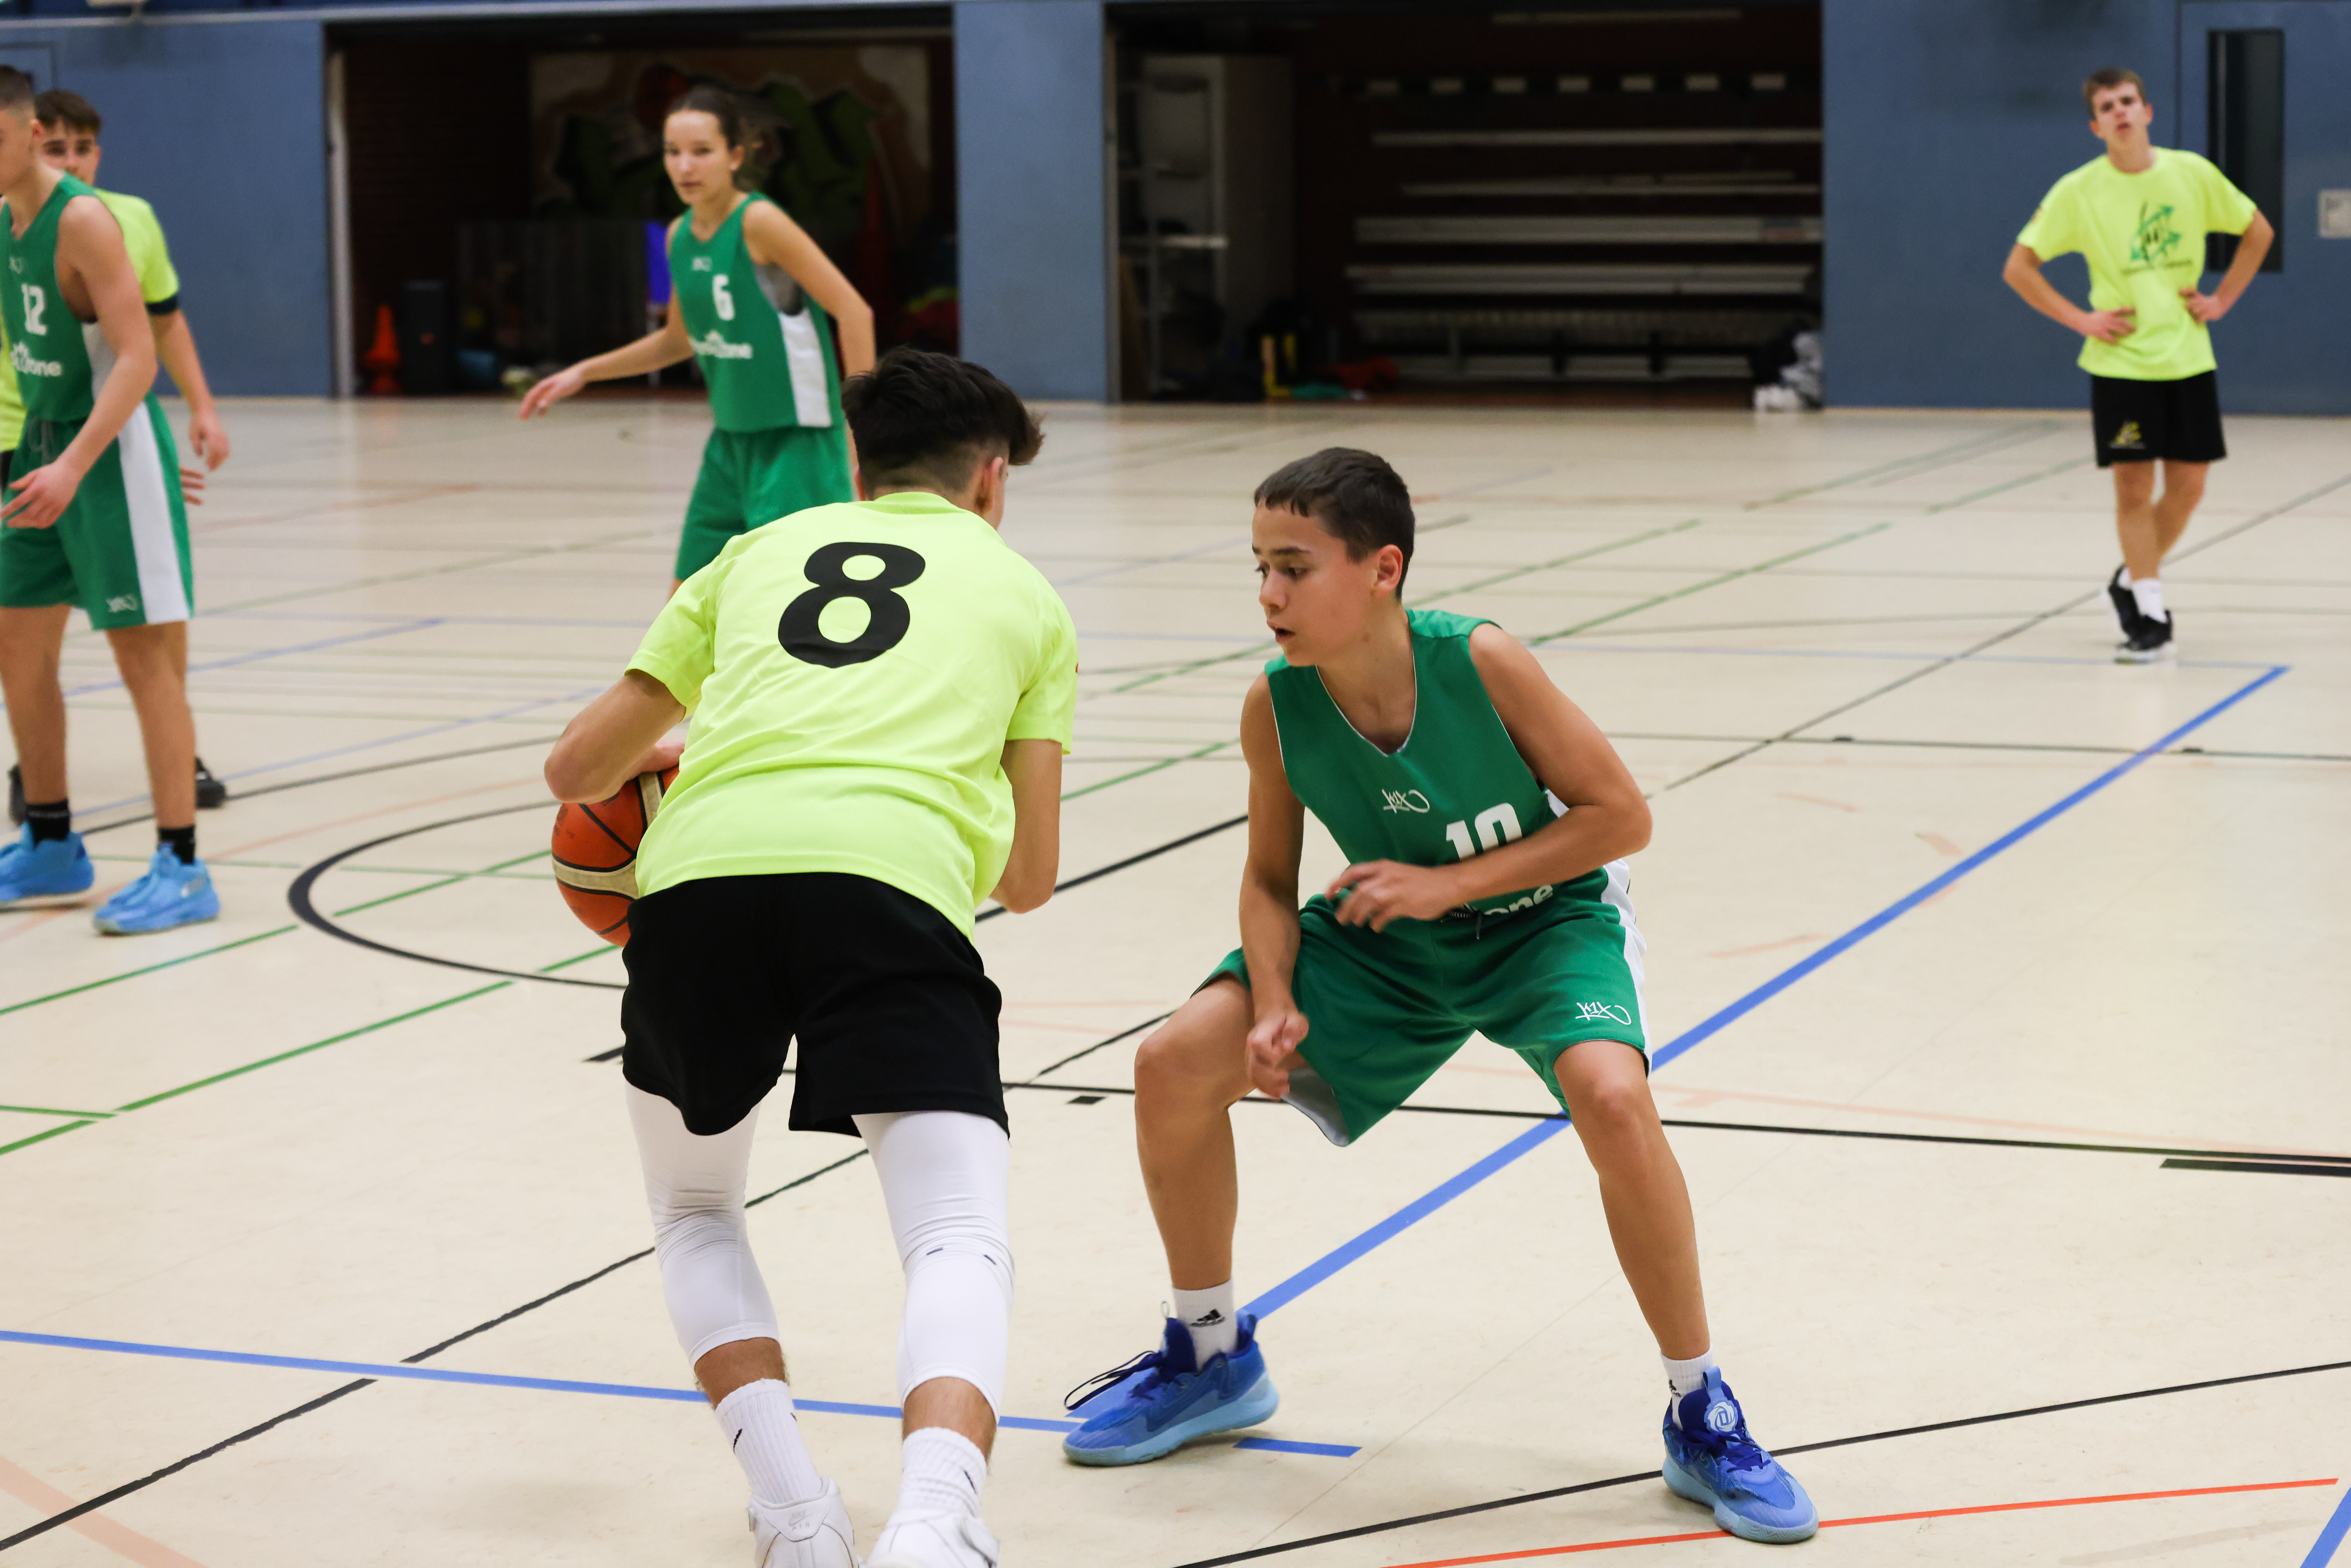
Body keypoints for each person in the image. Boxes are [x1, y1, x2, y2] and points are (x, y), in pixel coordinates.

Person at [1060, 449, 1818, 1546]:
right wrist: (1270, 998)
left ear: (1382, 569)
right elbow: (1268, 878)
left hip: (1545, 921)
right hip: (1388, 934)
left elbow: (1620, 816)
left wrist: (1449, 885)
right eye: (1258, 567)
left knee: (1613, 1099)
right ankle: (1210, 1354)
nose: (1268, 594)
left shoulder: (1480, 659)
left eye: (1293, 567)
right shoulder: (1275, 704)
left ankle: (1701, 1409)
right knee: (1173, 1060)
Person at [543, 347, 1075, 1568]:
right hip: (888, 888)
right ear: (990, 479)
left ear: (855, 464)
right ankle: (934, 1520)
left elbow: (575, 770)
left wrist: (692, 756)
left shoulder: (752, 554)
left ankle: (794, 1513)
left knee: (695, 1210)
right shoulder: (1027, 595)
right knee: (953, 1232)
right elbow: (1030, 877)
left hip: (697, 885)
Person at [0, 68, 215, 932]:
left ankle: (183, 864)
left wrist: (75, 466)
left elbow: (138, 356)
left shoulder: (83, 219)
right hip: (40, 446)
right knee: (18, 648)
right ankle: (52, 841)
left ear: (28, 133)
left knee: (143, 658)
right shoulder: (6, 222)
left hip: (107, 454)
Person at [520, 85, 872, 593]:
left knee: (787, 603)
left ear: (735, 156)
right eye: (673, 152)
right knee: (686, 600)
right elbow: (678, 340)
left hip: (796, 441)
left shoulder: (760, 222)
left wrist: (861, 434)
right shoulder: (678, 237)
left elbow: (854, 311)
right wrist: (584, 372)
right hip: (729, 442)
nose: (685, 167)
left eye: (702, 151)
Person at [2002, 67, 2272, 663]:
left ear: (2146, 112)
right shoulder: (2077, 190)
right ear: (2095, 126)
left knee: (2189, 488)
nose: (2119, 112)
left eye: (2127, 101)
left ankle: (2128, 579)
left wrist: (2222, 299)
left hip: (2187, 356)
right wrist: (2080, 319)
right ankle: (2150, 613)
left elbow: (2257, 230)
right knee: (2132, 487)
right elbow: (2019, 268)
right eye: (2107, 107)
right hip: (2121, 363)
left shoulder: (2191, 173)